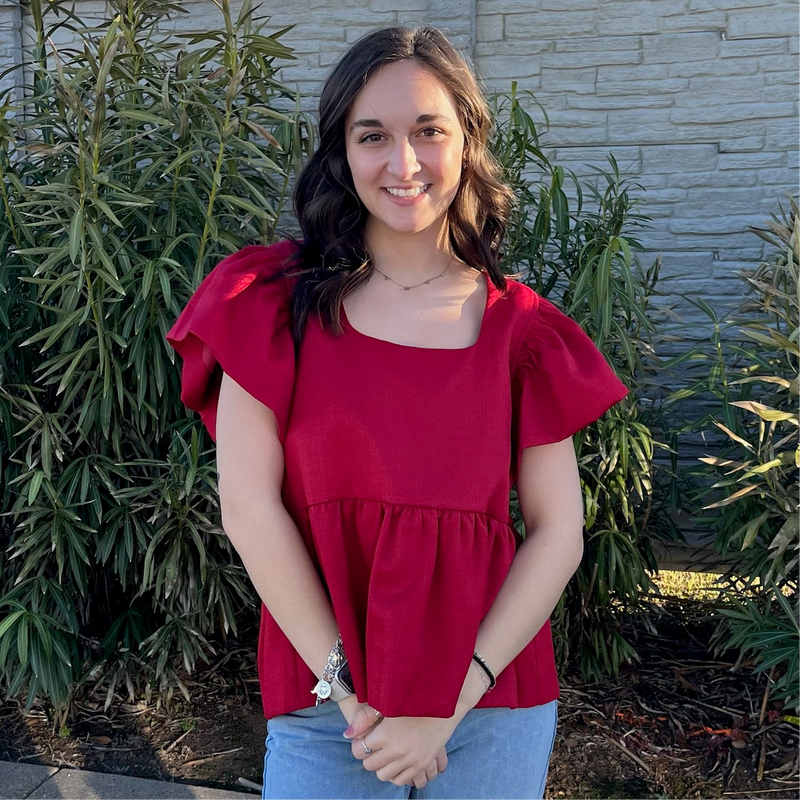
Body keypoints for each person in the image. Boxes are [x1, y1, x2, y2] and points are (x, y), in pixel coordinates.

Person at [165, 25, 628, 800]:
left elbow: (559, 531)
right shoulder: (269, 306)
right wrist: (351, 690)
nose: (403, 163)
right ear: (341, 151)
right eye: (372, 135)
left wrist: (447, 703)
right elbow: (248, 510)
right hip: (328, 705)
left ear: (468, 140)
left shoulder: (525, 333)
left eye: (428, 131)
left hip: (491, 704)